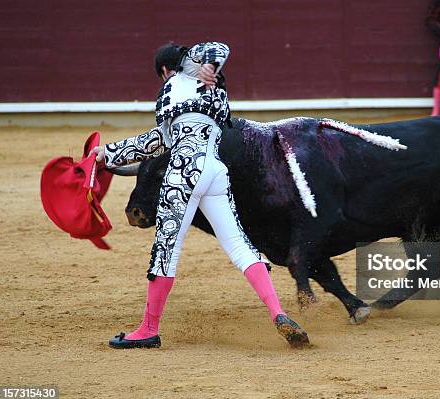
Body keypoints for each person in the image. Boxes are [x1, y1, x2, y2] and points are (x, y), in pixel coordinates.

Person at [93, 41, 310, 349]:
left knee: (166, 250)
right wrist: (211, 67)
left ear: (166, 70)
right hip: (215, 171)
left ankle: (148, 329)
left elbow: (159, 141)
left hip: (183, 173)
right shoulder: (216, 89)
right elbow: (218, 49)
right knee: (239, 245)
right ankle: (278, 312)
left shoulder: (172, 87)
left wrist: (108, 154)